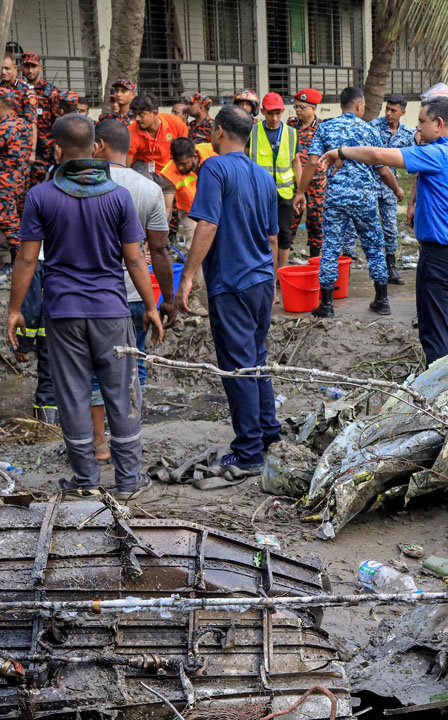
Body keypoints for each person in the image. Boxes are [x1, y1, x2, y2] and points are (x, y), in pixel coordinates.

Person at [6, 114, 163, 499]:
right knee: (121, 390)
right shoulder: (117, 196)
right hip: (111, 310)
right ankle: (127, 482)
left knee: (74, 393)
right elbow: (136, 260)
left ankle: (85, 481)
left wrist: (14, 310)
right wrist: (152, 306)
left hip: (63, 313)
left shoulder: (40, 196)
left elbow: (27, 261)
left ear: (57, 149)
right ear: (94, 147)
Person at [317, 95, 448, 363]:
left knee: (435, 333)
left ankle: (437, 395)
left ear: (439, 123)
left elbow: (378, 155)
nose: (418, 128)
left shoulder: (439, 153)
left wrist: (339, 151)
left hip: (441, 257)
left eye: (422, 122)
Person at [178, 106, 282, 477]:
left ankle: (249, 450)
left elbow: (207, 224)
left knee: (238, 368)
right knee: (256, 360)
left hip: (232, 282)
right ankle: (270, 435)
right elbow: (273, 238)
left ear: (219, 131)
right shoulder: (263, 175)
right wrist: (272, 281)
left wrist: (188, 276)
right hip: (258, 281)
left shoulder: (215, 168)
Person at [90, 119, 174, 460]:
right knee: (134, 364)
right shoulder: (148, 188)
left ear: (99, 145)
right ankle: (129, 436)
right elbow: (160, 250)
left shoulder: (81, 184)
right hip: (136, 294)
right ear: (127, 148)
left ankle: (99, 444)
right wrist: (167, 298)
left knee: (96, 369)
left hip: (94, 296)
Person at [297, 87, 402, 317]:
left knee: (331, 248)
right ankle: (382, 300)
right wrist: (397, 190)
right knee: (374, 247)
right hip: (365, 199)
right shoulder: (370, 131)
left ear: (342, 105)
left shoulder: (325, 128)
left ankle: (326, 305)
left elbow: (312, 163)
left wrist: (300, 192)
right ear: (359, 105)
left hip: (335, 199)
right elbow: (383, 169)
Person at [368, 94, 416, 286]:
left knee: (390, 228)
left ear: (402, 113)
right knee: (370, 228)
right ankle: (376, 269)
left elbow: (415, 158)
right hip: (370, 185)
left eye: (393, 110)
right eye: (387, 109)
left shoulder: (407, 134)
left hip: (389, 188)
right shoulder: (373, 127)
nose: (388, 113)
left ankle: (391, 268)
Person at [250, 92, 300, 274]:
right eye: (270, 113)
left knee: (284, 232)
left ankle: (283, 271)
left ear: (283, 112)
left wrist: (300, 191)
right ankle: (264, 271)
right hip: (259, 193)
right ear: (262, 111)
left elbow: (296, 162)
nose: (274, 117)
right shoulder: (253, 132)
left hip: (285, 193)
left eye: (278, 113)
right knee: (261, 233)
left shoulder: (291, 133)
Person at [0, 88, 35, 261]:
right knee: (19, 223)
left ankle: (20, 263)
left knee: (9, 224)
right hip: (20, 181)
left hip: (2, 184)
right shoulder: (24, 125)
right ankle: (21, 261)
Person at [288, 88, 326, 257]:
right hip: (294, 182)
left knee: (316, 222)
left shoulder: (323, 127)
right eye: (296, 107)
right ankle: (283, 262)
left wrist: (328, 175)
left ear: (313, 108)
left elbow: (330, 154)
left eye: (302, 107)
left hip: (316, 183)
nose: (298, 111)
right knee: (289, 222)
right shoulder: (290, 126)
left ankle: (315, 262)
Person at [158, 136, 216, 244]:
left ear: (194, 157)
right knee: (194, 243)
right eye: (177, 163)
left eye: (184, 164)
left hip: (214, 206)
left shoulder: (211, 152)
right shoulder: (169, 173)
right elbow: (166, 207)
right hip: (190, 212)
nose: (180, 168)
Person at [21, 52, 61, 186]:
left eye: (33, 66)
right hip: (24, 145)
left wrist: (58, 145)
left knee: (44, 184)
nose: (30, 70)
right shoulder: (20, 90)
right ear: (21, 67)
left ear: (40, 68)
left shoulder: (51, 91)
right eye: (27, 66)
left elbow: (59, 121)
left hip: (46, 148)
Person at [126, 93, 189, 172]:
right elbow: (126, 166)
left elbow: (184, 152)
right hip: (144, 170)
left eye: (141, 115)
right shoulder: (131, 131)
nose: (137, 119)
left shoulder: (176, 123)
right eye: (135, 115)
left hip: (169, 169)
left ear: (154, 113)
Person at [0, 51, 41, 130]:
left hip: (18, 138)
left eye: (7, 68)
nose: (3, 72)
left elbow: (31, 123)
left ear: (15, 68)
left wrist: (32, 142)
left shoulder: (25, 90)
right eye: (0, 68)